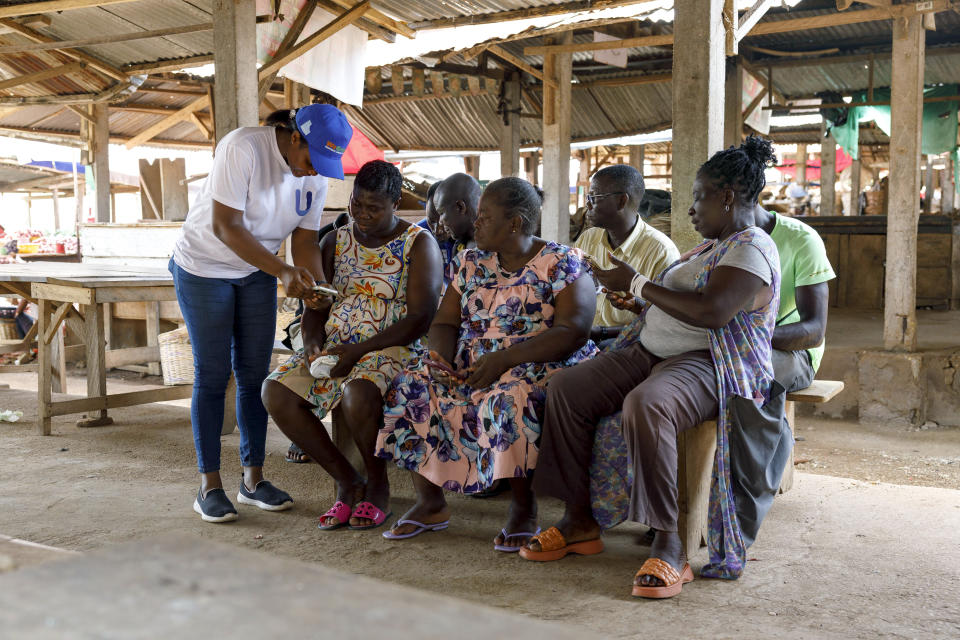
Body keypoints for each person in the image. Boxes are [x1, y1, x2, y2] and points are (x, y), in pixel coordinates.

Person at [523, 137, 783, 599]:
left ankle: (669, 544)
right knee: (566, 388)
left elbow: (712, 313)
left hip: (706, 364)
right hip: (649, 351)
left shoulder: (750, 248)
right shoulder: (712, 246)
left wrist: (639, 283)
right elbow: (679, 303)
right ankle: (579, 519)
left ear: (727, 197)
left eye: (698, 197)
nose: (691, 210)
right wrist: (639, 298)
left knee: (648, 404)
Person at [375, 177, 598, 550]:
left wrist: (503, 360)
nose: (475, 224)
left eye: (485, 217)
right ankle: (430, 504)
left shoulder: (562, 263)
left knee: (510, 397)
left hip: (537, 362)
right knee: (413, 383)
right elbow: (445, 322)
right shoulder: (470, 262)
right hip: (474, 362)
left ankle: (523, 509)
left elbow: (573, 331)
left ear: (514, 223)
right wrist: (440, 359)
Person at [170, 104, 351, 523]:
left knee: (256, 375)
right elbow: (226, 226)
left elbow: (304, 241)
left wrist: (315, 286)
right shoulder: (243, 148)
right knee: (213, 374)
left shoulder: (315, 176)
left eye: (324, 164)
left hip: (255, 272)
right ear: (293, 138)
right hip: (204, 269)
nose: (313, 171)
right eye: (311, 160)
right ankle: (209, 486)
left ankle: (253, 480)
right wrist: (282, 271)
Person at [262, 160, 443, 531]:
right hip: (337, 345)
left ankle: (377, 486)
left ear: (395, 203)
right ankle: (348, 481)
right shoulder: (335, 240)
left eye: (373, 208)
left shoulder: (419, 244)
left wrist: (358, 352)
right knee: (275, 392)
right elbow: (317, 301)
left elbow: (419, 319)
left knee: (357, 394)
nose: (361, 214)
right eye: (356, 204)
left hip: (394, 346)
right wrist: (312, 341)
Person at [574, 165, 679, 345]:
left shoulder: (661, 252)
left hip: (628, 341)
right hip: (585, 334)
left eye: (594, 197)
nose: (587, 205)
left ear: (622, 201)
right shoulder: (588, 239)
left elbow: (666, 320)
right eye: (587, 197)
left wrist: (601, 332)